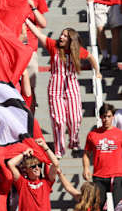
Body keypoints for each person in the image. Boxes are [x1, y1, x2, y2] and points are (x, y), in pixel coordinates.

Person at [25, 19, 102, 157]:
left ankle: (74, 141)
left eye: (65, 36)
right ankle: (59, 149)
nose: (61, 37)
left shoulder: (77, 51)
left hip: (71, 86)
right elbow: (38, 33)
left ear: (71, 39)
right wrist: (26, 20)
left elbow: (91, 57)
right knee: (59, 120)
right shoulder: (53, 46)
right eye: (61, 34)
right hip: (55, 88)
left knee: (75, 117)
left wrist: (97, 71)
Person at [83, 103, 122, 211]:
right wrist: (86, 168)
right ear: (100, 117)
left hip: (117, 176)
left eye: (109, 116)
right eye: (104, 116)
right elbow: (86, 153)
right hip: (99, 176)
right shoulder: (93, 135)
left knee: (119, 208)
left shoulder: (119, 134)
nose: (106, 119)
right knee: (96, 208)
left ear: (113, 117)